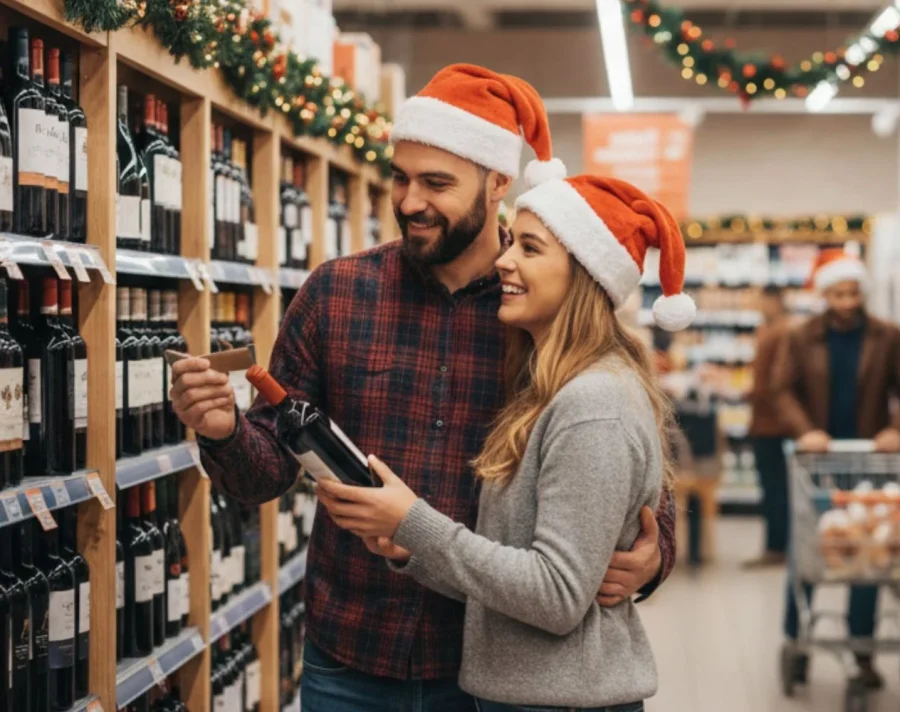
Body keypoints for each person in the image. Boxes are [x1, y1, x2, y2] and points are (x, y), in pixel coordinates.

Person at [168, 64, 677, 712]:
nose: (410, 201)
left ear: (497, 182)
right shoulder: (338, 293)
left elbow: (633, 474)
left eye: (436, 183)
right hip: (350, 650)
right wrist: (224, 432)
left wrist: (652, 551)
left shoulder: (537, 314)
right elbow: (266, 471)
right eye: (401, 179)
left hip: (486, 662)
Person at [314, 174, 695, 712]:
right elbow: (514, 573)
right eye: (512, 242)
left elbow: (557, 596)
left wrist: (414, 520)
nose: (504, 262)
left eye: (530, 248)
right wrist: (412, 548)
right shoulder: (549, 386)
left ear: (585, 274)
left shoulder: (594, 404)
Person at [773, 248, 900, 688]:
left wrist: (896, 429)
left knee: (867, 557)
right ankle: (797, 641)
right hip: (817, 464)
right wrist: (805, 431)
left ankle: (863, 651)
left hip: (870, 461)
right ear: (824, 295)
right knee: (809, 553)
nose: (845, 302)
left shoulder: (888, 336)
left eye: (852, 292)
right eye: (837, 293)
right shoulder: (801, 337)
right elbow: (782, 391)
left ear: (863, 292)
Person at [743, 285, 790, 568]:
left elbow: (775, 382)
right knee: (773, 488)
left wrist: (748, 394)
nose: (758, 304)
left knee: (775, 489)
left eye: (762, 299)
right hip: (765, 421)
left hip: (773, 424)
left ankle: (777, 548)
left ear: (775, 300)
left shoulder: (781, 333)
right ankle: (776, 546)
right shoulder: (770, 329)